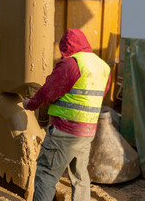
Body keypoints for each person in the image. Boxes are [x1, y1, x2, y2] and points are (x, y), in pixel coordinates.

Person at [22, 29, 111, 201]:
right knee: (80, 176)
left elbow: (49, 92)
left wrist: (30, 104)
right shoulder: (103, 66)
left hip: (65, 130)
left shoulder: (71, 64)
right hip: (87, 131)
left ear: (66, 47)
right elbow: (100, 94)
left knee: (46, 174)